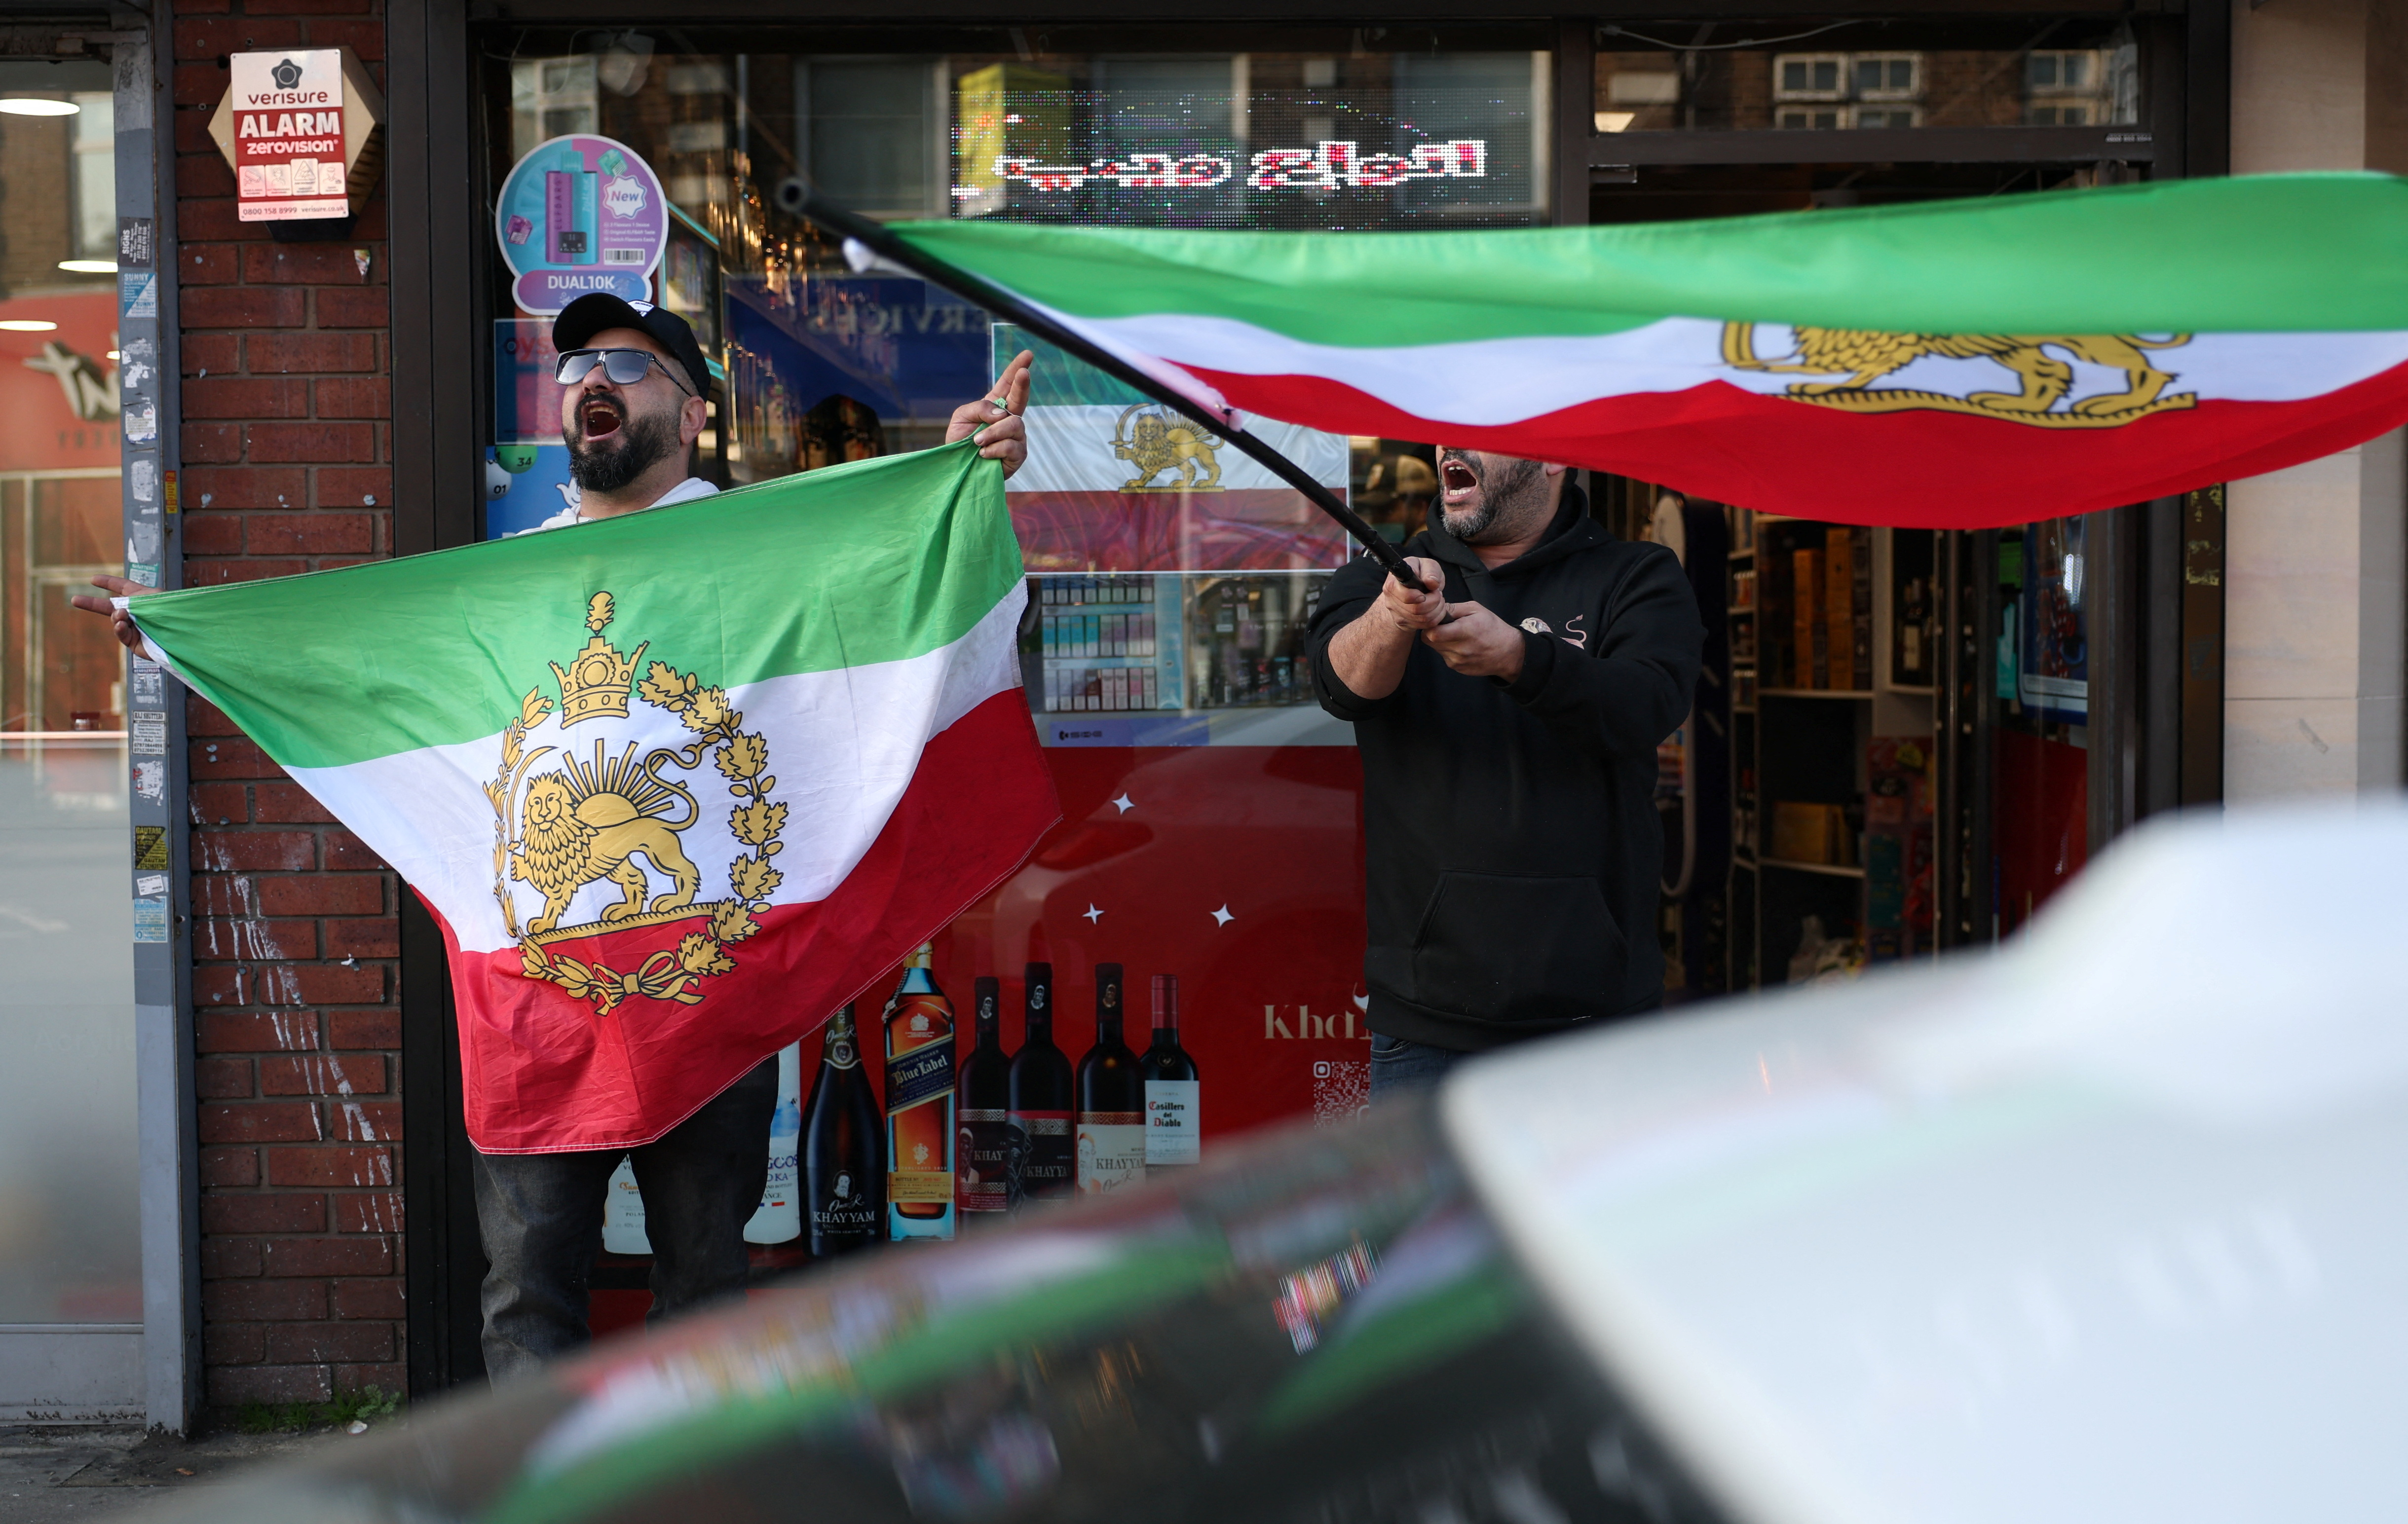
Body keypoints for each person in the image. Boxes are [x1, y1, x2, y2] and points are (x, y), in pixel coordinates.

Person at [73, 292, 1035, 1378]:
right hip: (539, 1006)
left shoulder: (769, 550)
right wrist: (191, 637)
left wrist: (956, 484)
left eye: (627, 364)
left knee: (708, 1296)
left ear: (695, 411)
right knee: (526, 1301)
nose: (593, 378)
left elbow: (905, 596)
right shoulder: (503, 581)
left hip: (712, 991)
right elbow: (349, 662)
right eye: (576, 363)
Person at [1306, 448, 1702, 1098]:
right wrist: (1395, 615)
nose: (1447, 448)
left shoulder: (1636, 574)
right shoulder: (1384, 579)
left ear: (1551, 455)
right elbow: (1341, 687)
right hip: (1427, 1030)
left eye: (1475, 429)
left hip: (1601, 1031)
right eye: (1442, 431)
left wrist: (1520, 657)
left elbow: (1646, 707)